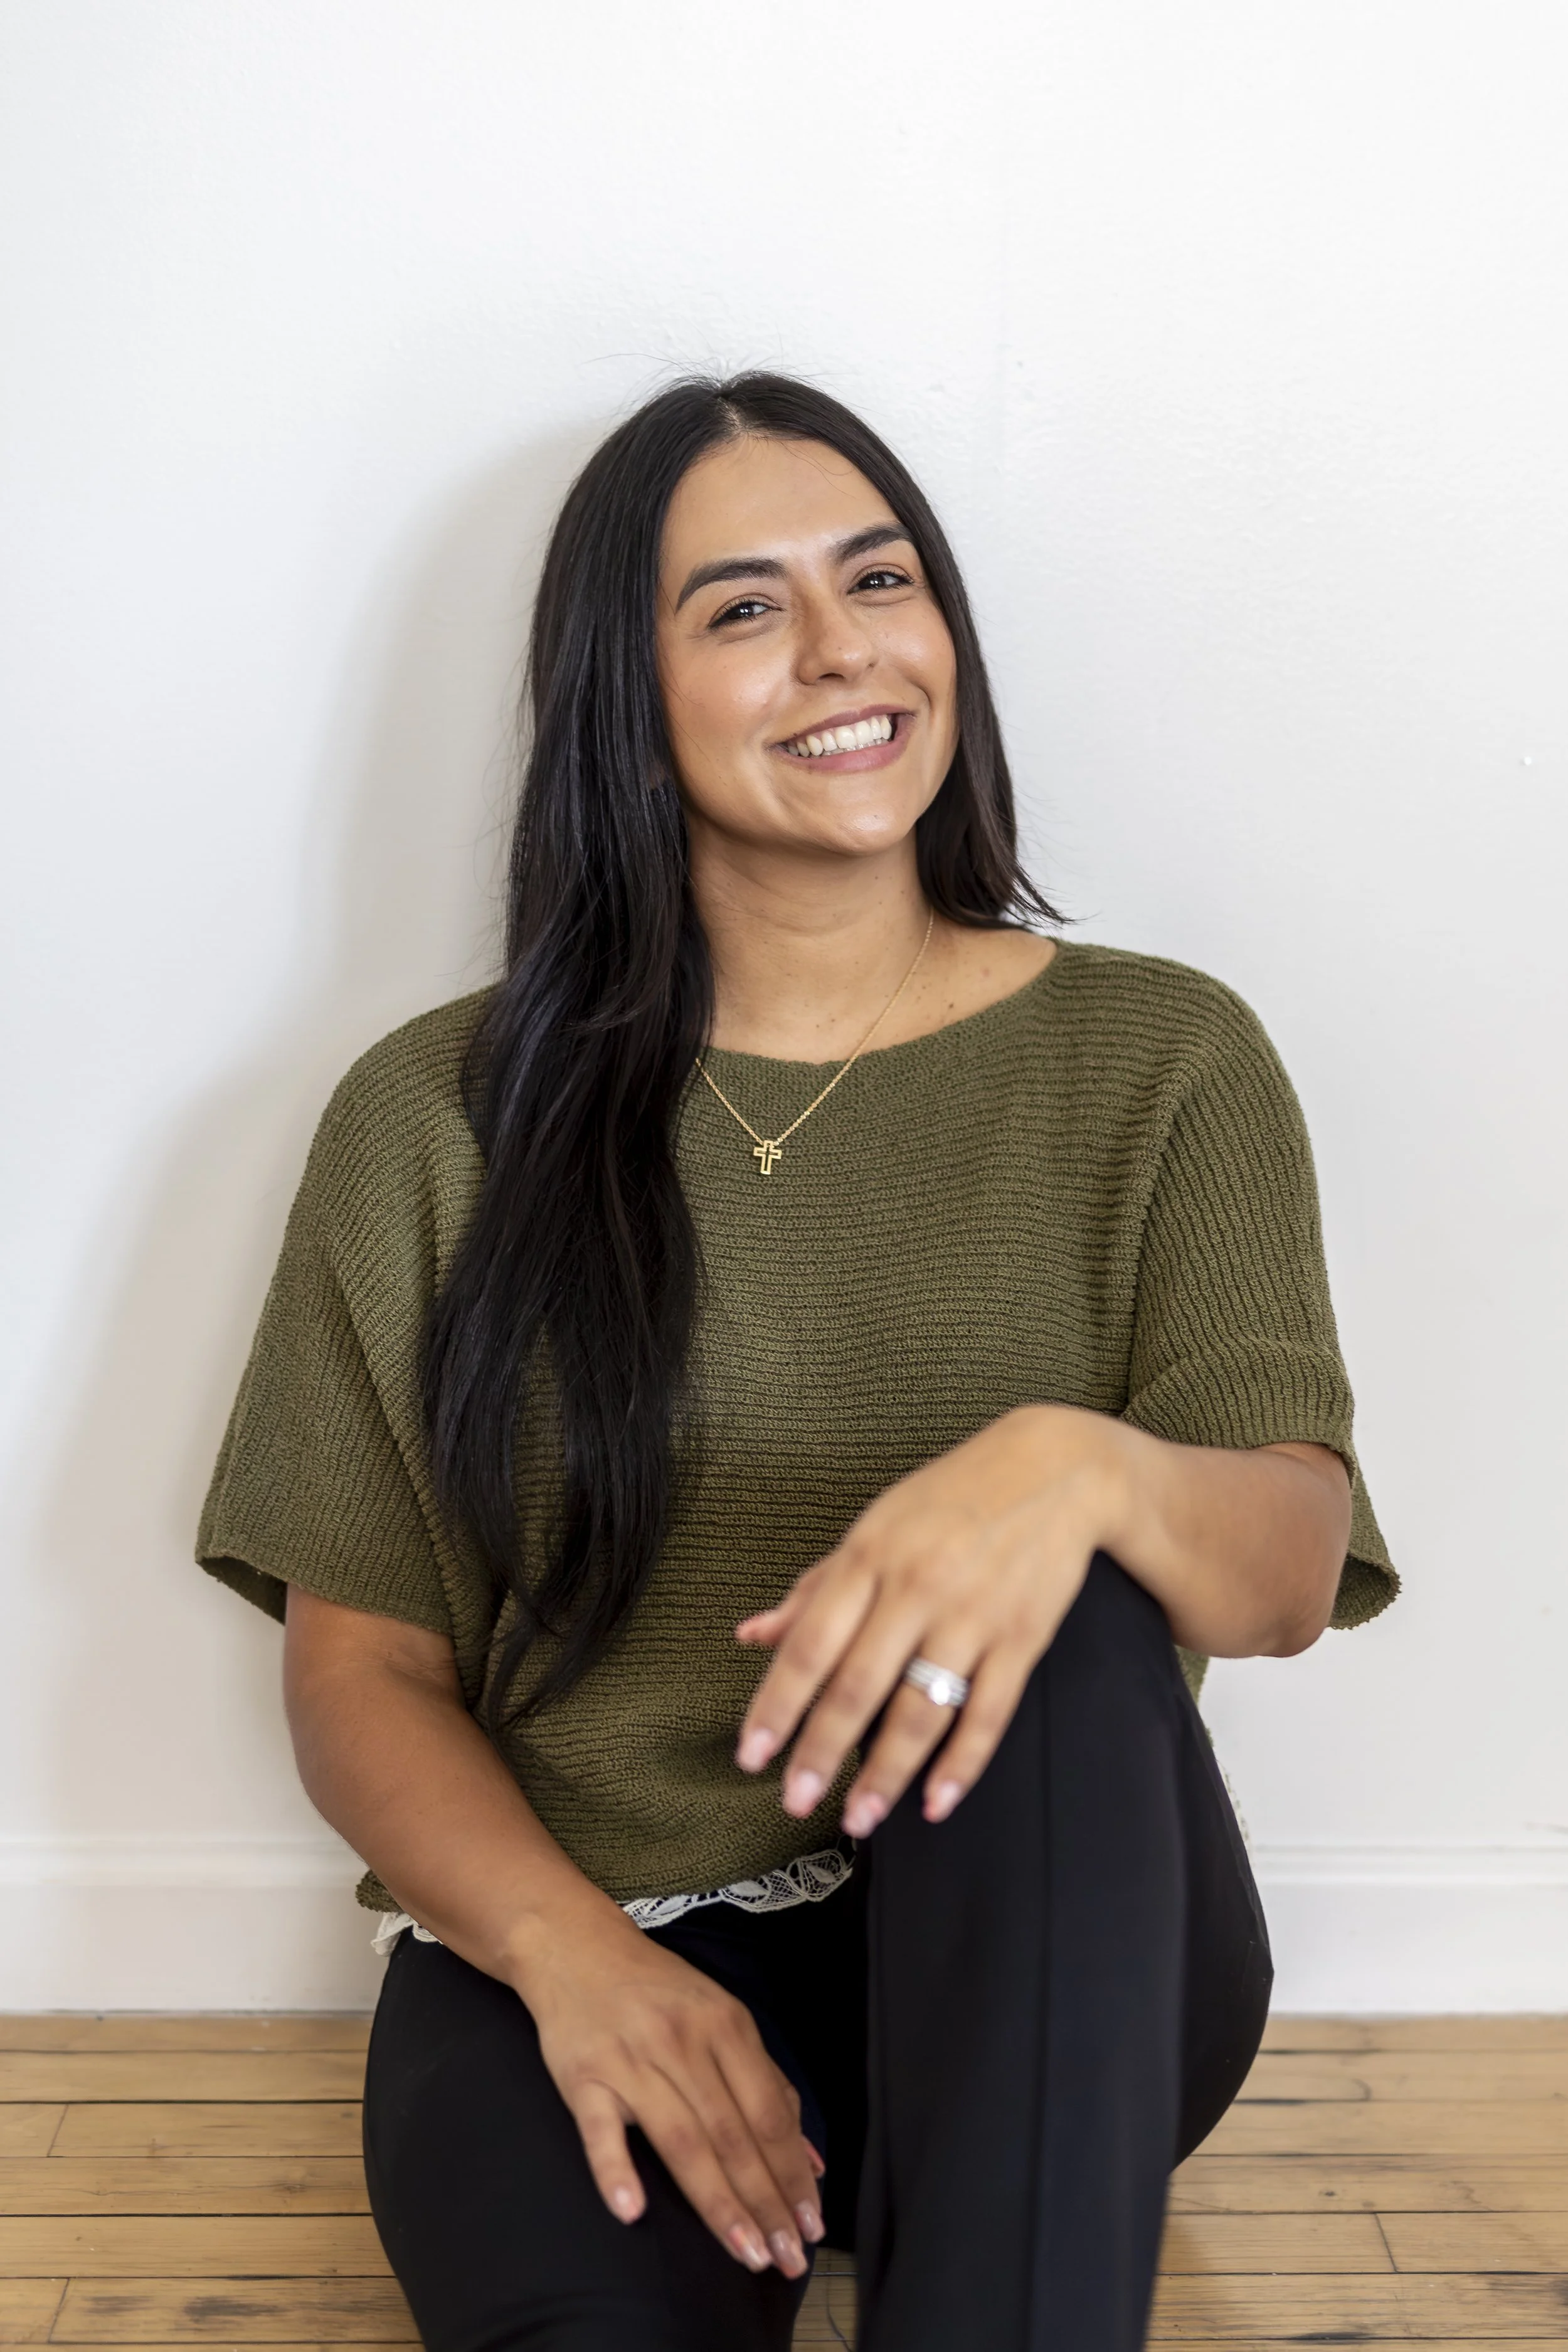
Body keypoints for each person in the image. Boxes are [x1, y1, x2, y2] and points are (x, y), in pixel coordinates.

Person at [197, 373, 1397, 2352]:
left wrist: (1076, 1465)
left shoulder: (1162, 1057)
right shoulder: (432, 1116)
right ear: (623, 695)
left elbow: (1276, 1570)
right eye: (742, 609)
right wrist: (578, 1963)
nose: (842, 649)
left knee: (1070, 1615)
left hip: (1051, 1949)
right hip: (590, 1936)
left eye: (879, 578)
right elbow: (364, 1667)